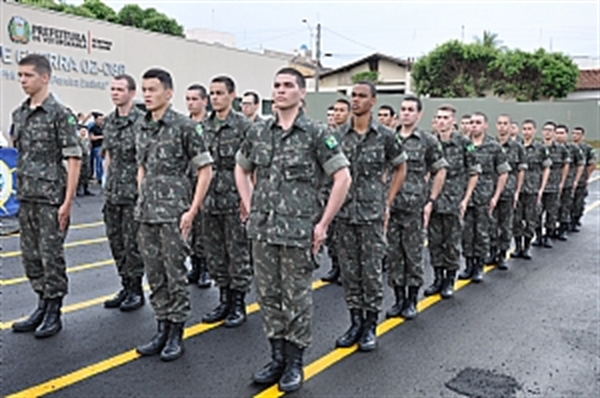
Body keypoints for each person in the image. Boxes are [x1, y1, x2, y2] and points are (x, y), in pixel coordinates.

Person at [235, 67, 351, 392]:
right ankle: (276, 358)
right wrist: (249, 204)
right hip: (263, 230)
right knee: (268, 297)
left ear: (302, 93)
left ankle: (295, 362)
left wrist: (324, 222)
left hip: (299, 233)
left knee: (296, 298)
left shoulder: (315, 134)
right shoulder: (259, 132)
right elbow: (241, 168)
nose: (280, 91)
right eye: (276, 85)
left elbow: (342, 178)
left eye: (288, 86)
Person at [135, 68, 213, 362]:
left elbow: (205, 170)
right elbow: (141, 165)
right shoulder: (141, 126)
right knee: (155, 274)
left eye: (152, 89)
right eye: (144, 89)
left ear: (168, 93)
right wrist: (142, 193)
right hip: (146, 213)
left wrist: (192, 210)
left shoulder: (184, 126)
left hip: (173, 213)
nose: (147, 94)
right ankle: (161, 327)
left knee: (175, 272)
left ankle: (176, 332)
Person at [11, 54, 82, 338]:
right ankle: (41, 303)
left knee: (51, 256)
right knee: (31, 256)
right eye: (20, 76)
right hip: (27, 195)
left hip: (51, 197)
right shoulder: (19, 113)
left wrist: (67, 201)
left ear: (44, 77)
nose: (23, 81)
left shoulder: (59, 114)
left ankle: (54, 310)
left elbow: (74, 159)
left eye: (28, 75)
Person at [334, 81, 406, 351]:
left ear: (373, 101)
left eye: (362, 96)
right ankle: (355, 322)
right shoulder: (339, 135)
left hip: (372, 214)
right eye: (353, 95)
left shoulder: (386, 136)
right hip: (344, 214)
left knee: (372, 271)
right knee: (351, 272)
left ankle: (370, 325)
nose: (356, 100)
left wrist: (387, 200)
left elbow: (400, 167)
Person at [386, 96, 447, 320]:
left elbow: (440, 170)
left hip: (414, 207)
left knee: (412, 255)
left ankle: (412, 300)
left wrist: (431, 199)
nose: (406, 113)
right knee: (394, 255)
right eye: (403, 109)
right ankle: (398, 298)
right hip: (391, 207)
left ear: (419, 114)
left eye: (411, 110)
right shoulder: (388, 138)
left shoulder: (427, 141)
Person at [200, 76, 253, 328]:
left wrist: (248, 199)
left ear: (232, 95)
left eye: (220, 93)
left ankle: (238, 303)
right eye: (212, 93)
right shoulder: (203, 126)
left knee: (237, 252)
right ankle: (223, 298)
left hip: (234, 198)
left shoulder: (243, 125)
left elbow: (253, 166)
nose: (215, 97)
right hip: (210, 199)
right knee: (215, 252)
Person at [101, 74, 146, 312]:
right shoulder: (109, 121)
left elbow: (145, 160)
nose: (115, 93)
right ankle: (125, 285)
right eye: (113, 89)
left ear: (132, 92)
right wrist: (105, 182)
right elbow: (107, 155)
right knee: (116, 242)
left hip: (133, 194)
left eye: (120, 89)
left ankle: (136, 289)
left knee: (132, 244)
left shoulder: (142, 121)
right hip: (113, 193)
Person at [425, 105, 479, 299]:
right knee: (434, 241)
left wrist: (466, 199)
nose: (441, 121)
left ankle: (449, 280)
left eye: (446, 118)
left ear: (453, 121)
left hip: (454, 200)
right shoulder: (430, 142)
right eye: (438, 117)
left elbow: (474, 172)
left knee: (452, 242)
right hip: (434, 200)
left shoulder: (464, 143)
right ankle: (437, 278)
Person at [459, 112, 509, 283]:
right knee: (466, 232)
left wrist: (496, 196)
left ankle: (479, 266)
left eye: (478, 122)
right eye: (472, 122)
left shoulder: (493, 147)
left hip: (484, 195)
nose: (474, 125)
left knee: (481, 232)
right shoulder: (462, 144)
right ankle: (468, 264)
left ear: (485, 126)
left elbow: (503, 173)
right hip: (465, 194)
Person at [488, 114, 527, 270]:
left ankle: (503, 254)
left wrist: (517, 190)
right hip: (490, 190)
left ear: (511, 127)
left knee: (505, 225)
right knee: (491, 224)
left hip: (508, 191)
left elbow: (521, 171)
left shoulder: (517, 147)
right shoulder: (490, 144)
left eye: (505, 123)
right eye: (500, 123)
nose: (502, 126)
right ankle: (492, 251)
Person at [321, 97, 351, 284]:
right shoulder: (328, 136)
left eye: (341, 111)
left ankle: (346, 269)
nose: (337, 114)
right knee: (332, 233)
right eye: (335, 111)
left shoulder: (351, 134)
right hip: (328, 190)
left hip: (347, 192)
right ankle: (335, 266)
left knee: (346, 236)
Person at [511, 120, 551, 260]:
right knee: (516, 219)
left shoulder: (540, 148)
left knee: (530, 219)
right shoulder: (515, 146)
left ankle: (527, 246)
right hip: (516, 189)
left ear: (534, 131)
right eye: (525, 129)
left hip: (532, 189)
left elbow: (546, 168)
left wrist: (541, 188)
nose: (527, 131)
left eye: (529, 129)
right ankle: (517, 246)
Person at [185, 84, 212, 288]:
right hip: (186, 182)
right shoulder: (183, 125)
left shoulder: (210, 125)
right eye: (188, 99)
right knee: (190, 227)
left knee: (204, 227)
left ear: (204, 100)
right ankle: (194, 264)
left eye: (195, 99)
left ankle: (204, 268)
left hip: (206, 183)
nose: (191, 103)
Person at [533, 122, 570, 248]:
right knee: (537, 213)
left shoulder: (561, 149)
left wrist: (562, 182)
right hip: (537, 185)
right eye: (545, 130)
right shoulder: (537, 147)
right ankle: (538, 236)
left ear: (554, 133)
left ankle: (548, 235)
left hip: (553, 185)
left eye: (550, 130)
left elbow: (566, 166)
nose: (547, 132)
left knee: (551, 212)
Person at [555, 125, 584, 240]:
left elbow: (581, 164)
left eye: (562, 133)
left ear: (566, 135)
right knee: (552, 208)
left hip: (567, 182)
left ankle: (562, 229)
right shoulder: (550, 148)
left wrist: (576, 180)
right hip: (552, 183)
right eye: (557, 133)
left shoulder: (572, 148)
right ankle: (551, 229)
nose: (559, 135)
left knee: (565, 206)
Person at [570, 126, 597, 230]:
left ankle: (575, 219)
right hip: (569, 179)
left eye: (577, 134)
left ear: (582, 136)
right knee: (567, 202)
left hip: (581, 179)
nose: (575, 136)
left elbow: (592, 164)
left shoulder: (587, 148)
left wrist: (586, 176)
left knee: (579, 201)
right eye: (573, 133)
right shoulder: (568, 147)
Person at [76, 124, 93, 196]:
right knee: (80, 173)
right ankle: (78, 189)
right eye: (82, 131)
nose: (83, 133)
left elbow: (89, 147)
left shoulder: (87, 139)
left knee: (87, 172)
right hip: (80, 157)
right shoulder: (77, 140)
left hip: (87, 156)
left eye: (84, 131)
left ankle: (86, 188)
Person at [89, 112, 105, 183]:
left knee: (100, 162)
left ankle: (100, 177)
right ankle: (95, 176)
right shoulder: (93, 127)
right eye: (99, 119)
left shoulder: (103, 127)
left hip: (102, 146)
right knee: (95, 162)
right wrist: (101, 137)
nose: (101, 121)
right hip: (95, 146)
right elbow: (92, 137)